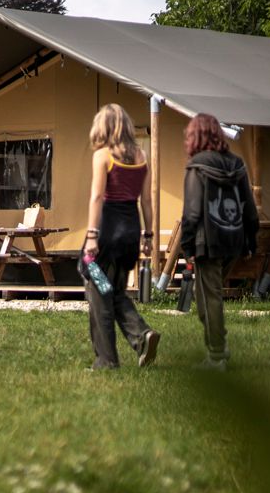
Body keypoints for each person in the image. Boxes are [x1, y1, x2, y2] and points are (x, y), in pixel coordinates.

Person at [82, 103, 160, 369]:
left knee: (98, 290)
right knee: (114, 290)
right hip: (130, 233)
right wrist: (148, 237)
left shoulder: (103, 156)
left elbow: (96, 197)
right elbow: (147, 202)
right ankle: (142, 336)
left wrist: (92, 236)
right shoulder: (142, 156)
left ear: (103, 126)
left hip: (106, 232)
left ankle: (106, 360)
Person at [179, 113, 259, 369]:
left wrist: (187, 246)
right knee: (207, 297)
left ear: (195, 136)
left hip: (208, 241)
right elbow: (249, 208)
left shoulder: (197, 167)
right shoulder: (237, 164)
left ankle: (216, 355)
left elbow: (191, 213)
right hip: (233, 240)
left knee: (208, 299)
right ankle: (219, 348)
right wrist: (250, 242)